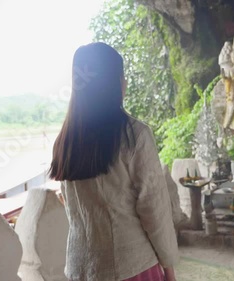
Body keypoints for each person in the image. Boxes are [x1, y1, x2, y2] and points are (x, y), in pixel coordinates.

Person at [49, 42, 179, 281]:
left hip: (80, 267)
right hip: (131, 266)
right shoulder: (134, 134)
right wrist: (168, 266)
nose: (125, 83)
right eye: (122, 77)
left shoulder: (65, 141)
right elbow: (154, 210)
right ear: (115, 82)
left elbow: (75, 211)